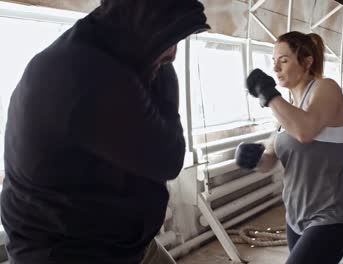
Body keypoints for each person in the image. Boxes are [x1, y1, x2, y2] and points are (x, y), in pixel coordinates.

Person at [1, 0, 210, 263]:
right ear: (141, 23)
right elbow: (168, 158)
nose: (173, 54)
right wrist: (165, 74)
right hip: (67, 253)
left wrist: (157, 56)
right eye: (169, 37)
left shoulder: (117, 55)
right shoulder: (84, 72)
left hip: (118, 245)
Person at [235, 31, 343, 264]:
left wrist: (269, 95)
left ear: (307, 61)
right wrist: (251, 158)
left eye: (284, 60)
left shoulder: (325, 88)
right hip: (295, 218)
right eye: (274, 62)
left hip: (329, 216)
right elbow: (269, 160)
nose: (276, 69)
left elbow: (305, 130)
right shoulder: (287, 111)